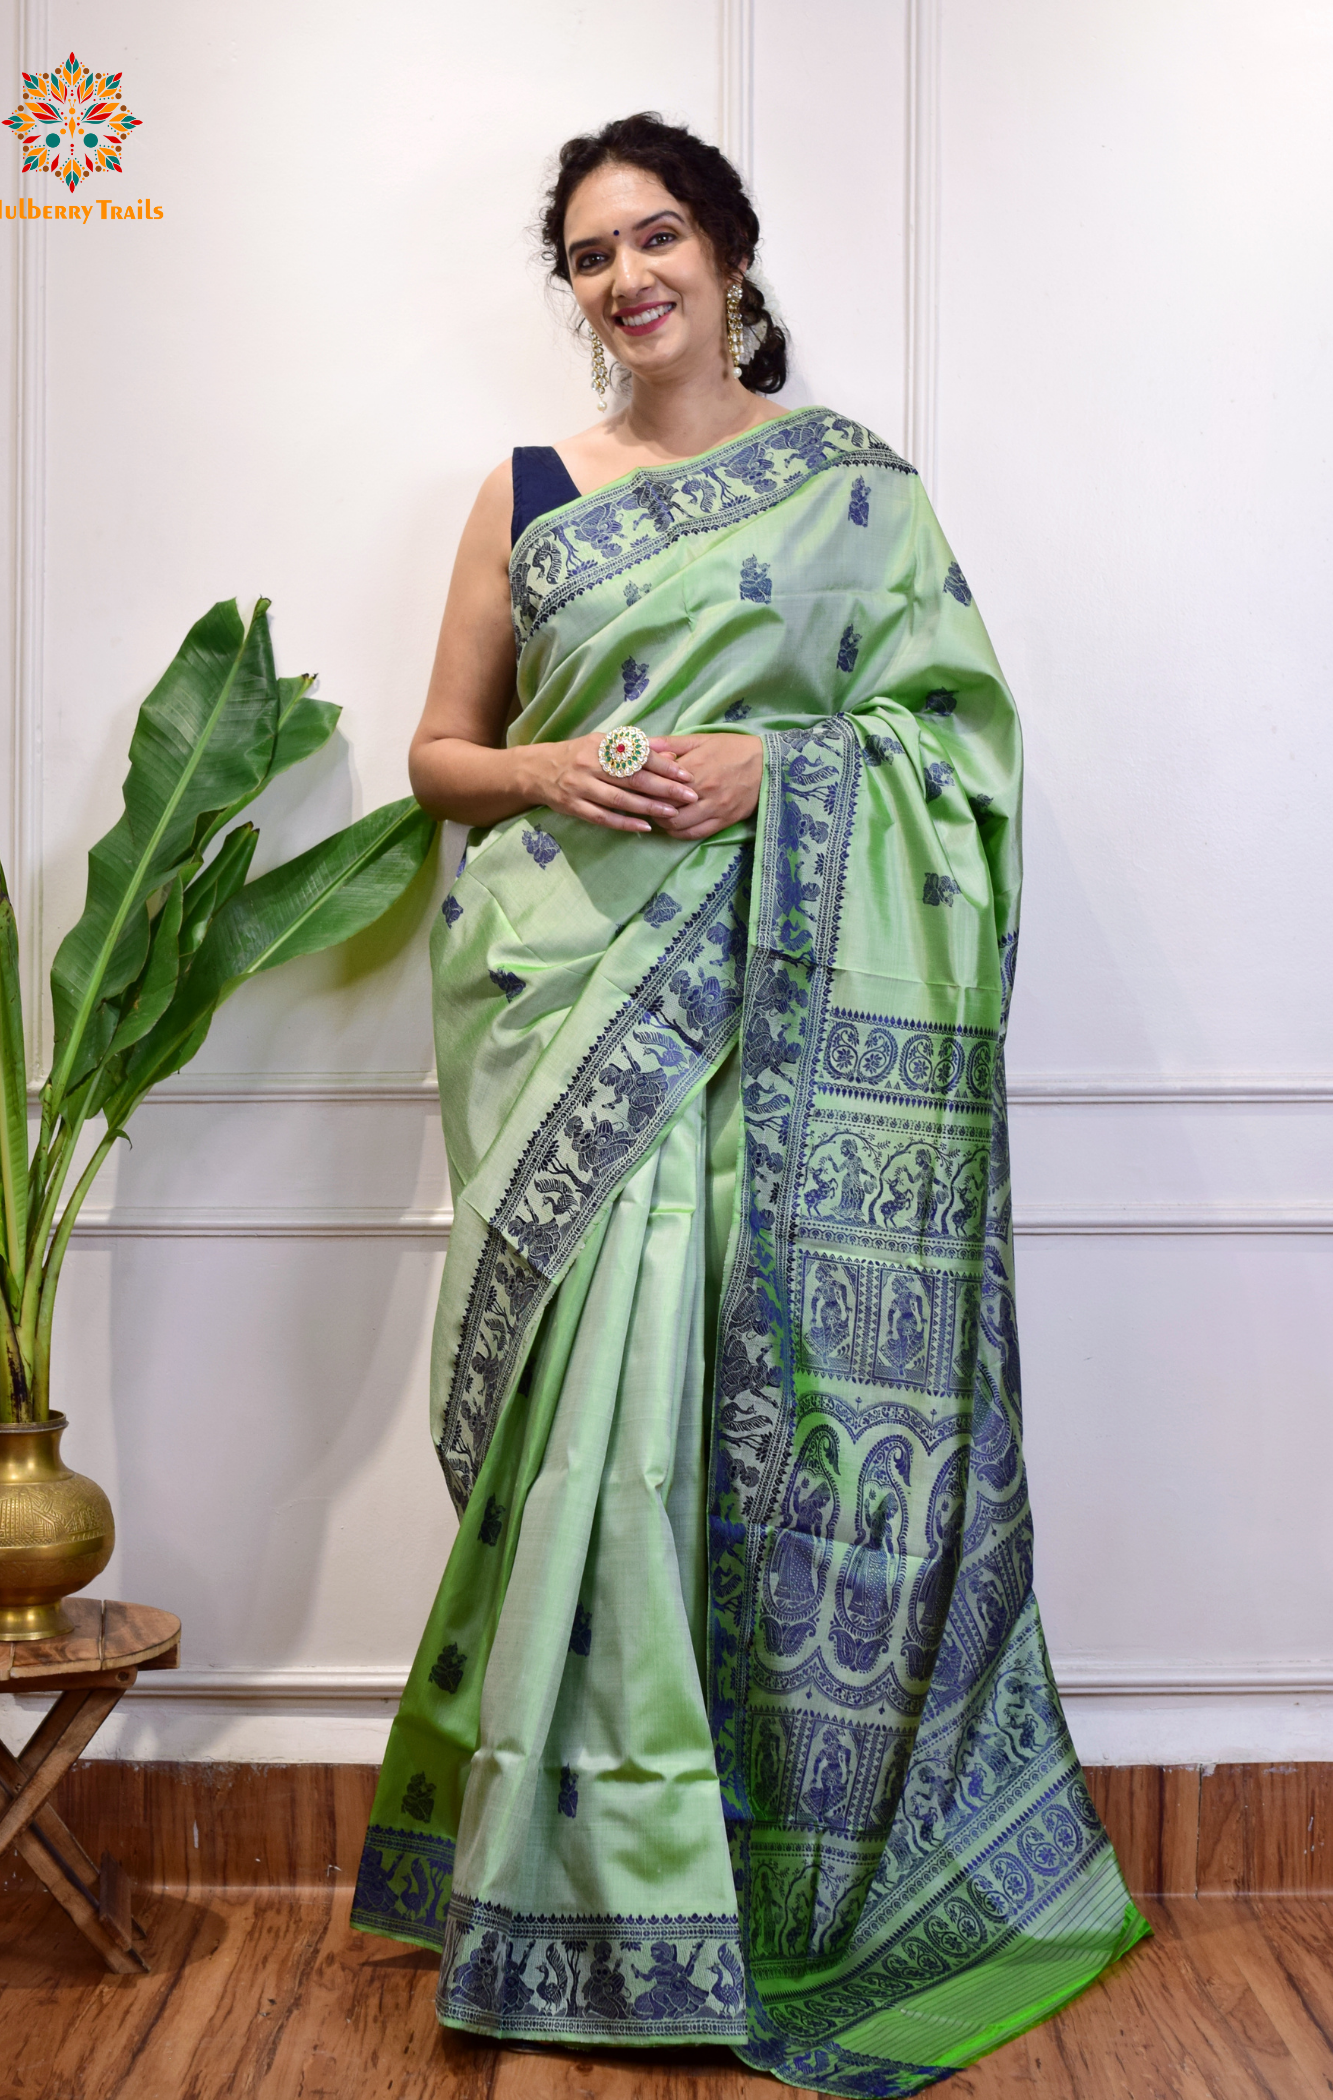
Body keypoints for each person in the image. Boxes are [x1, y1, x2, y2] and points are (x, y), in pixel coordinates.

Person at [350, 111, 1146, 2096]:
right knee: (598, 1443)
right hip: (569, 1014)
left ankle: (745, 1889)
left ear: (727, 251)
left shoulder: (854, 493)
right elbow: (445, 756)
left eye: (659, 239)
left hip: (780, 1022)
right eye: (595, 254)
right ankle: (579, 1900)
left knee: (732, 1433)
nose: (628, 280)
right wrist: (565, 772)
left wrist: (772, 777)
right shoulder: (527, 492)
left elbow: (951, 751)